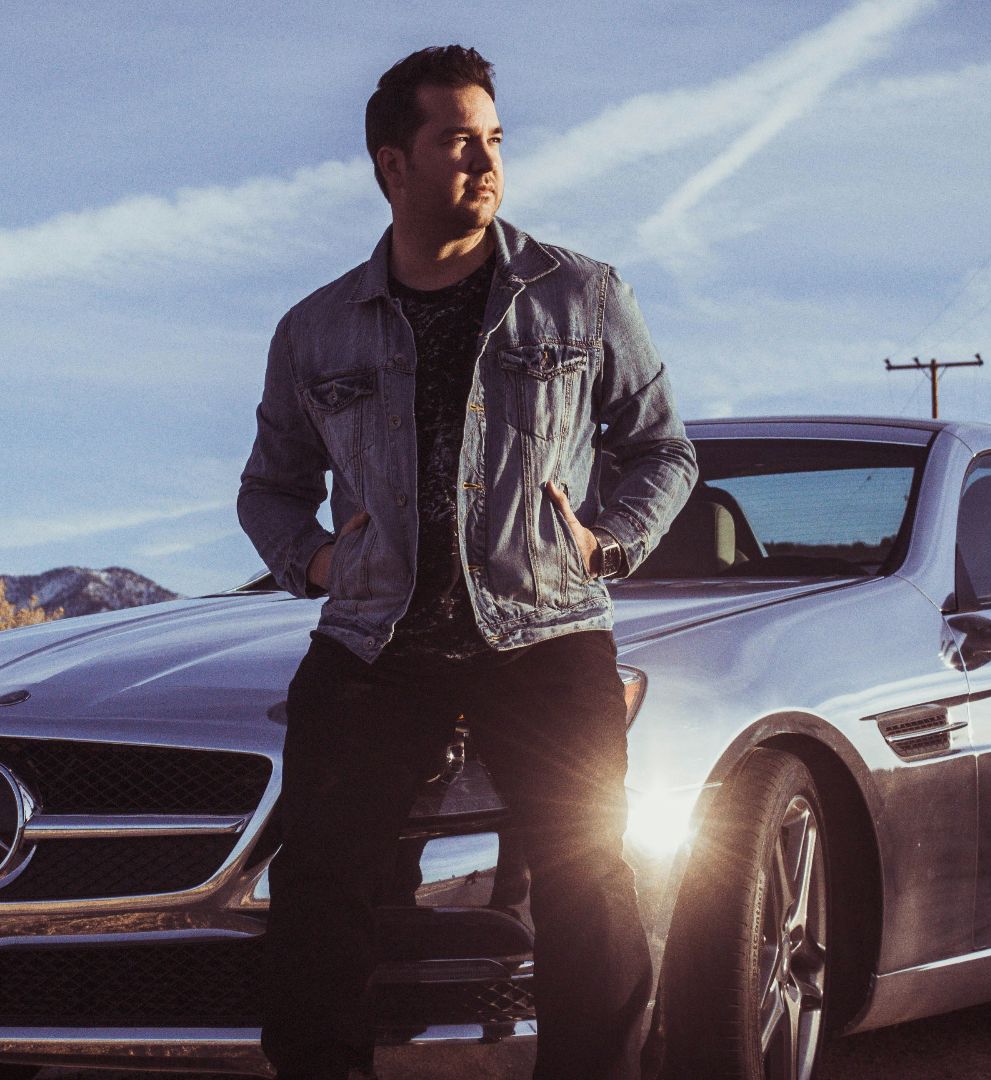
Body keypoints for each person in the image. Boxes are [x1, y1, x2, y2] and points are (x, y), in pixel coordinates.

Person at [235, 44, 696, 1080]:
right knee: (317, 884)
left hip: (546, 629)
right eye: (457, 142)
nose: (484, 162)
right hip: (373, 640)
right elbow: (267, 485)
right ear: (392, 165)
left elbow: (662, 447)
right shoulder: (315, 331)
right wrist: (311, 561)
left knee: (588, 881)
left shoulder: (579, 295)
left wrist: (603, 539)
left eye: (494, 140)